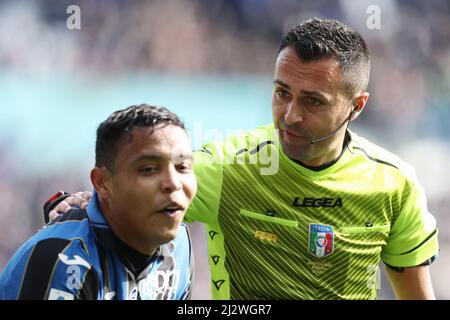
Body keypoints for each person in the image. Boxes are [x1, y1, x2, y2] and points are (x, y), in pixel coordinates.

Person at [45, 18, 438, 300]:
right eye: (282, 92)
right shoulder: (227, 166)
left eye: (313, 101)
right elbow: (132, 199)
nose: (290, 114)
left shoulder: (395, 183)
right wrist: (81, 204)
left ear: (357, 106)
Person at [0, 104, 197, 300]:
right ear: (102, 183)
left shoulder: (179, 246)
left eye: (182, 167)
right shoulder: (63, 263)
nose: (173, 183)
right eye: (148, 169)